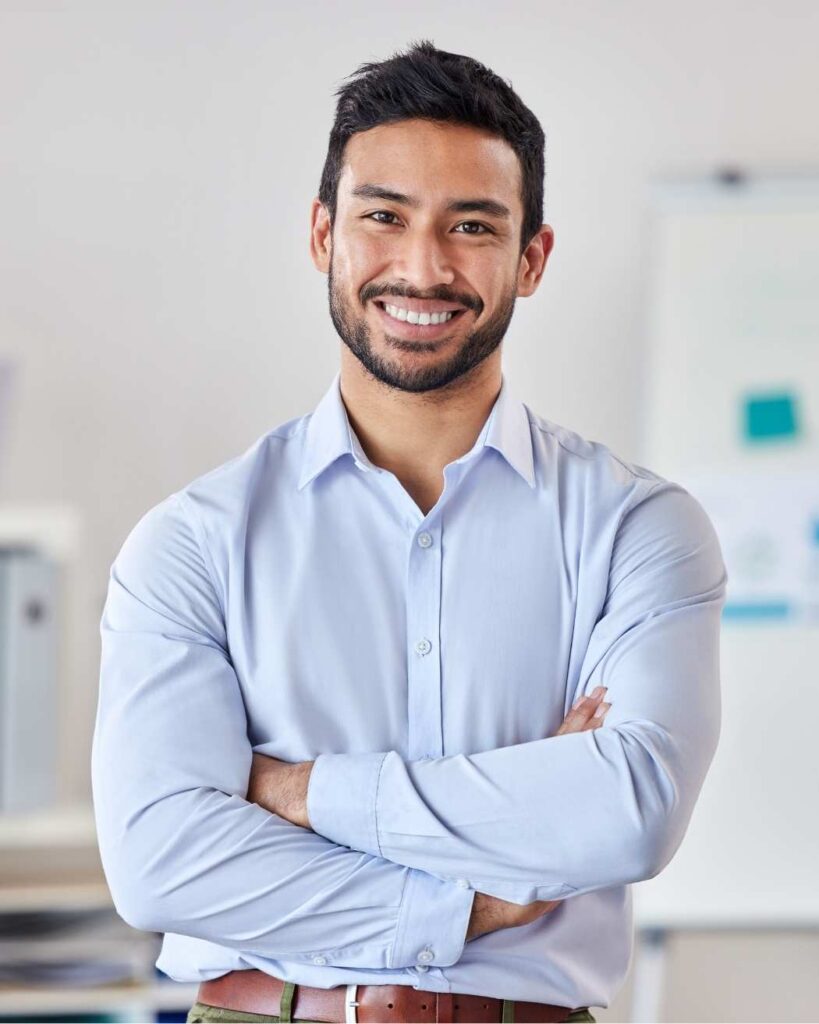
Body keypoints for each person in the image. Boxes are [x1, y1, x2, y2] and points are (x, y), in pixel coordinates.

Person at [91, 39, 727, 1024]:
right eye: (383, 216)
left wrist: (302, 793)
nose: (423, 268)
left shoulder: (640, 530)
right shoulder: (193, 544)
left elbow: (628, 810)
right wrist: (473, 904)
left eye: (471, 226)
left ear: (532, 257)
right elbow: (164, 862)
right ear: (322, 236)